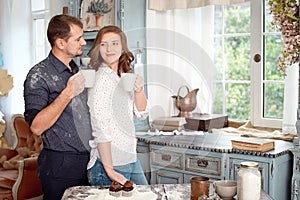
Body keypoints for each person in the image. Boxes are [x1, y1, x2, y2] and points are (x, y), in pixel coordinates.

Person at [23, 14, 92, 200]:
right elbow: (36, 127)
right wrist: (68, 93)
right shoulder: (38, 75)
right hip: (60, 165)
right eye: (78, 39)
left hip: (88, 160)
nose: (83, 42)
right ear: (61, 43)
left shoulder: (75, 69)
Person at [87, 25, 149, 186]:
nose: (109, 49)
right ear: (98, 49)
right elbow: (101, 128)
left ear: (123, 48)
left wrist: (139, 90)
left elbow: (141, 113)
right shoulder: (100, 81)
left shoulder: (123, 77)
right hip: (108, 164)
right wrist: (109, 170)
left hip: (130, 158)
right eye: (103, 44)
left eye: (114, 43)